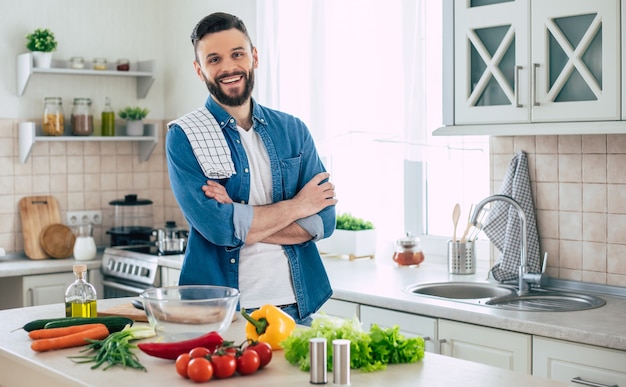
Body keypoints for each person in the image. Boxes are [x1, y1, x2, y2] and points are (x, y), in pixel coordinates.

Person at [165, 12, 337, 325]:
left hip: (297, 307)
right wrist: (299, 206)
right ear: (198, 69)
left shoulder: (293, 130)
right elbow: (219, 229)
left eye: (237, 54)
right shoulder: (185, 135)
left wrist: (242, 219)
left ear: (254, 57)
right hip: (223, 312)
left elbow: (324, 220)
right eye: (214, 59)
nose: (228, 67)